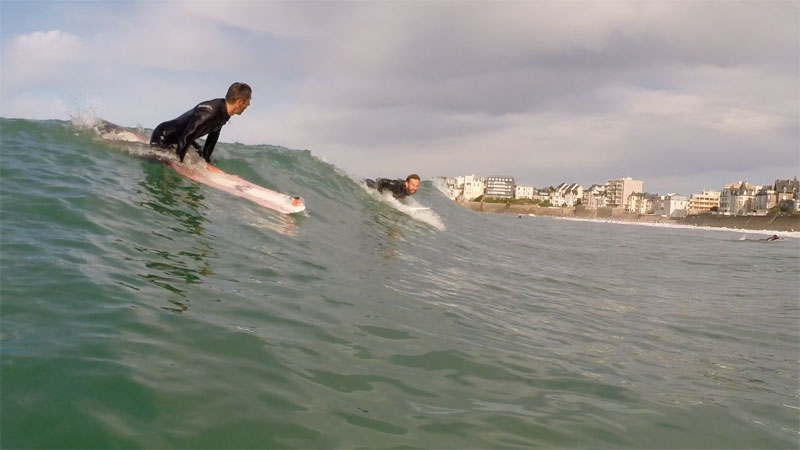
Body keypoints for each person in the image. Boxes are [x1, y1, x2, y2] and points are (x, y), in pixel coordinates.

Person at [150, 82, 251, 163]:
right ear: (240, 102)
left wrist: (205, 160)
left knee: (200, 153)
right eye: (248, 101)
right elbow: (187, 136)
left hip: (180, 137)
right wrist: (179, 162)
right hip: (164, 136)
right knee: (163, 163)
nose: (249, 104)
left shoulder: (224, 111)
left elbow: (213, 135)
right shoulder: (209, 114)